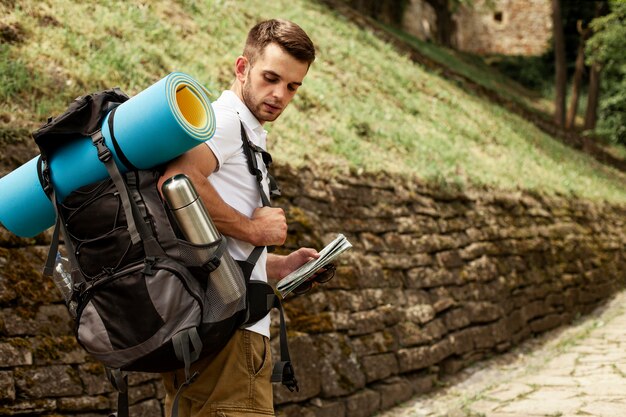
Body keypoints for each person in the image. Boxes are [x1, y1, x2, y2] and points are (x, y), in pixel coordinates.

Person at [158, 19, 317, 417]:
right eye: (270, 78)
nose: (280, 95)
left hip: (203, 327)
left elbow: (213, 238)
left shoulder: (239, 129)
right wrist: (254, 229)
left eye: (293, 86)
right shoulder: (228, 121)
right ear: (242, 68)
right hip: (231, 337)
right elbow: (177, 180)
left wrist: (274, 265)